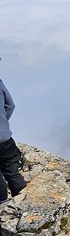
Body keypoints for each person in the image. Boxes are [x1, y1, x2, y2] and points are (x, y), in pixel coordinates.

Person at [0, 64, 28, 205]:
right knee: (12, 172)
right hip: (5, 138)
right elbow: (10, 105)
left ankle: (3, 204)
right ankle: (24, 203)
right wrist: (3, 122)